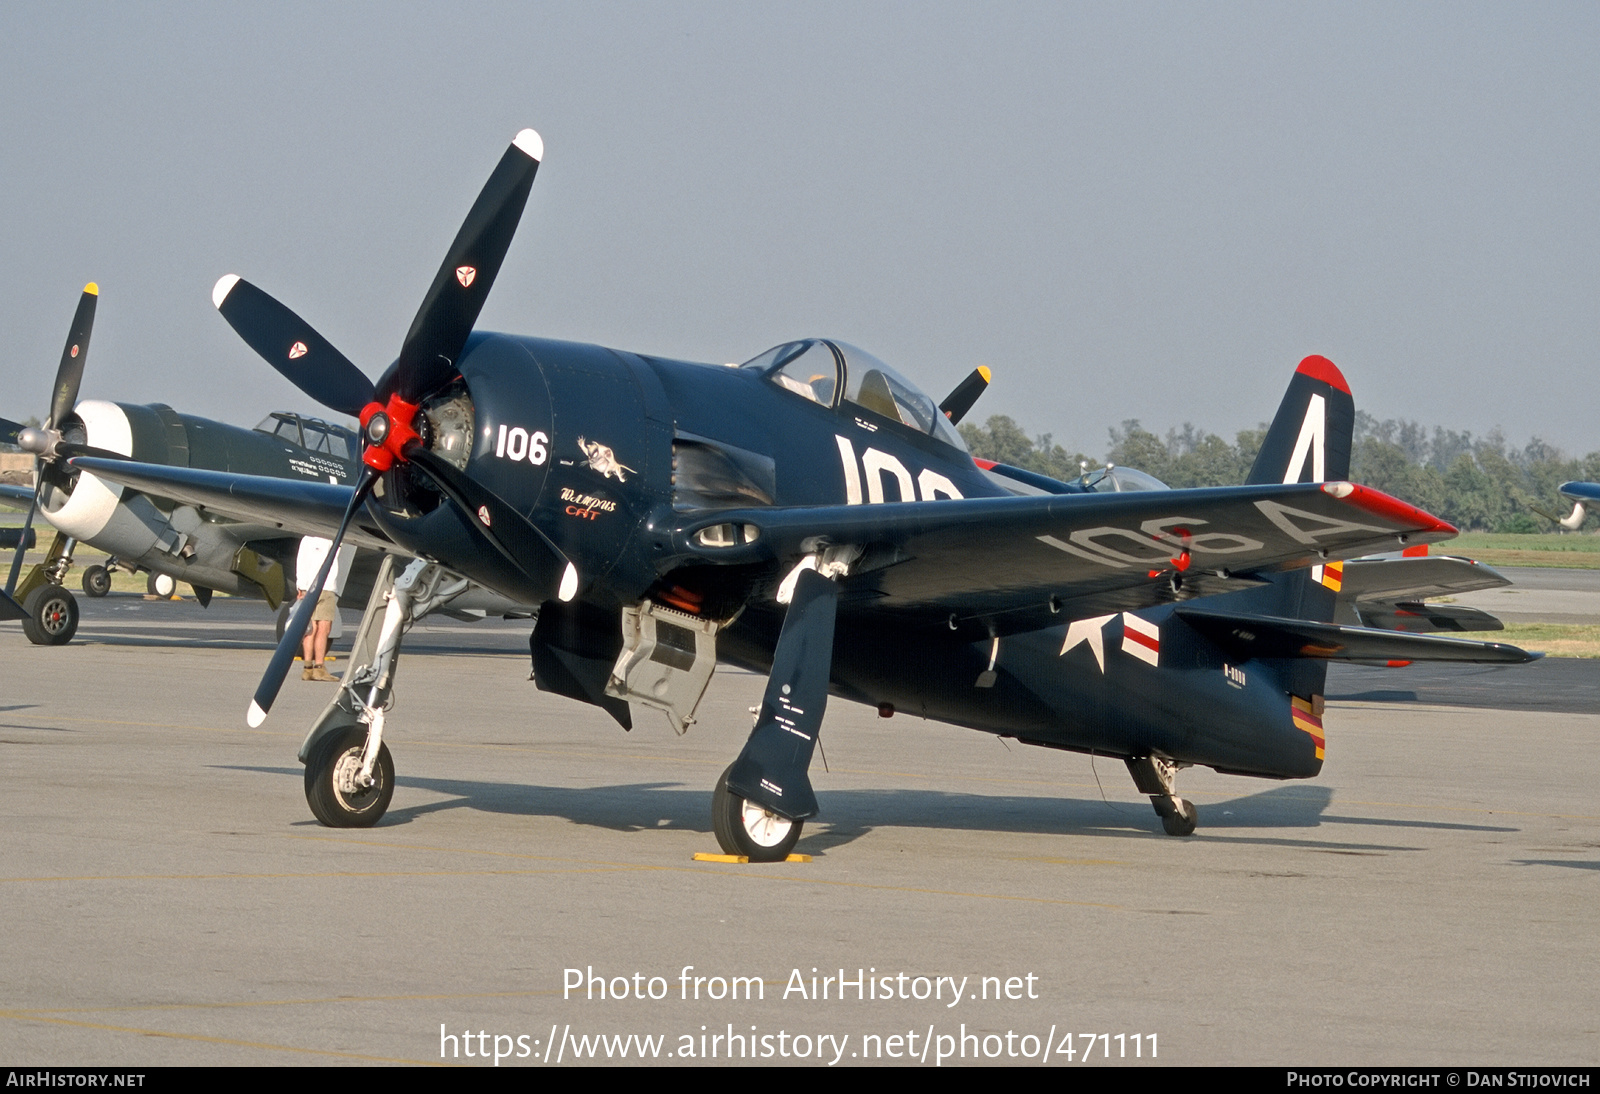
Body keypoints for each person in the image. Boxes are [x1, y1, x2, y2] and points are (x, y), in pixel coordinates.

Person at [296, 536, 340, 682]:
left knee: (310, 628)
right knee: (324, 628)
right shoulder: (330, 538)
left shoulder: (306, 539)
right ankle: (319, 667)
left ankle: (307, 668)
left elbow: (300, 563)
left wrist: (300, 586)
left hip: (308, 587)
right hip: (326, 587)